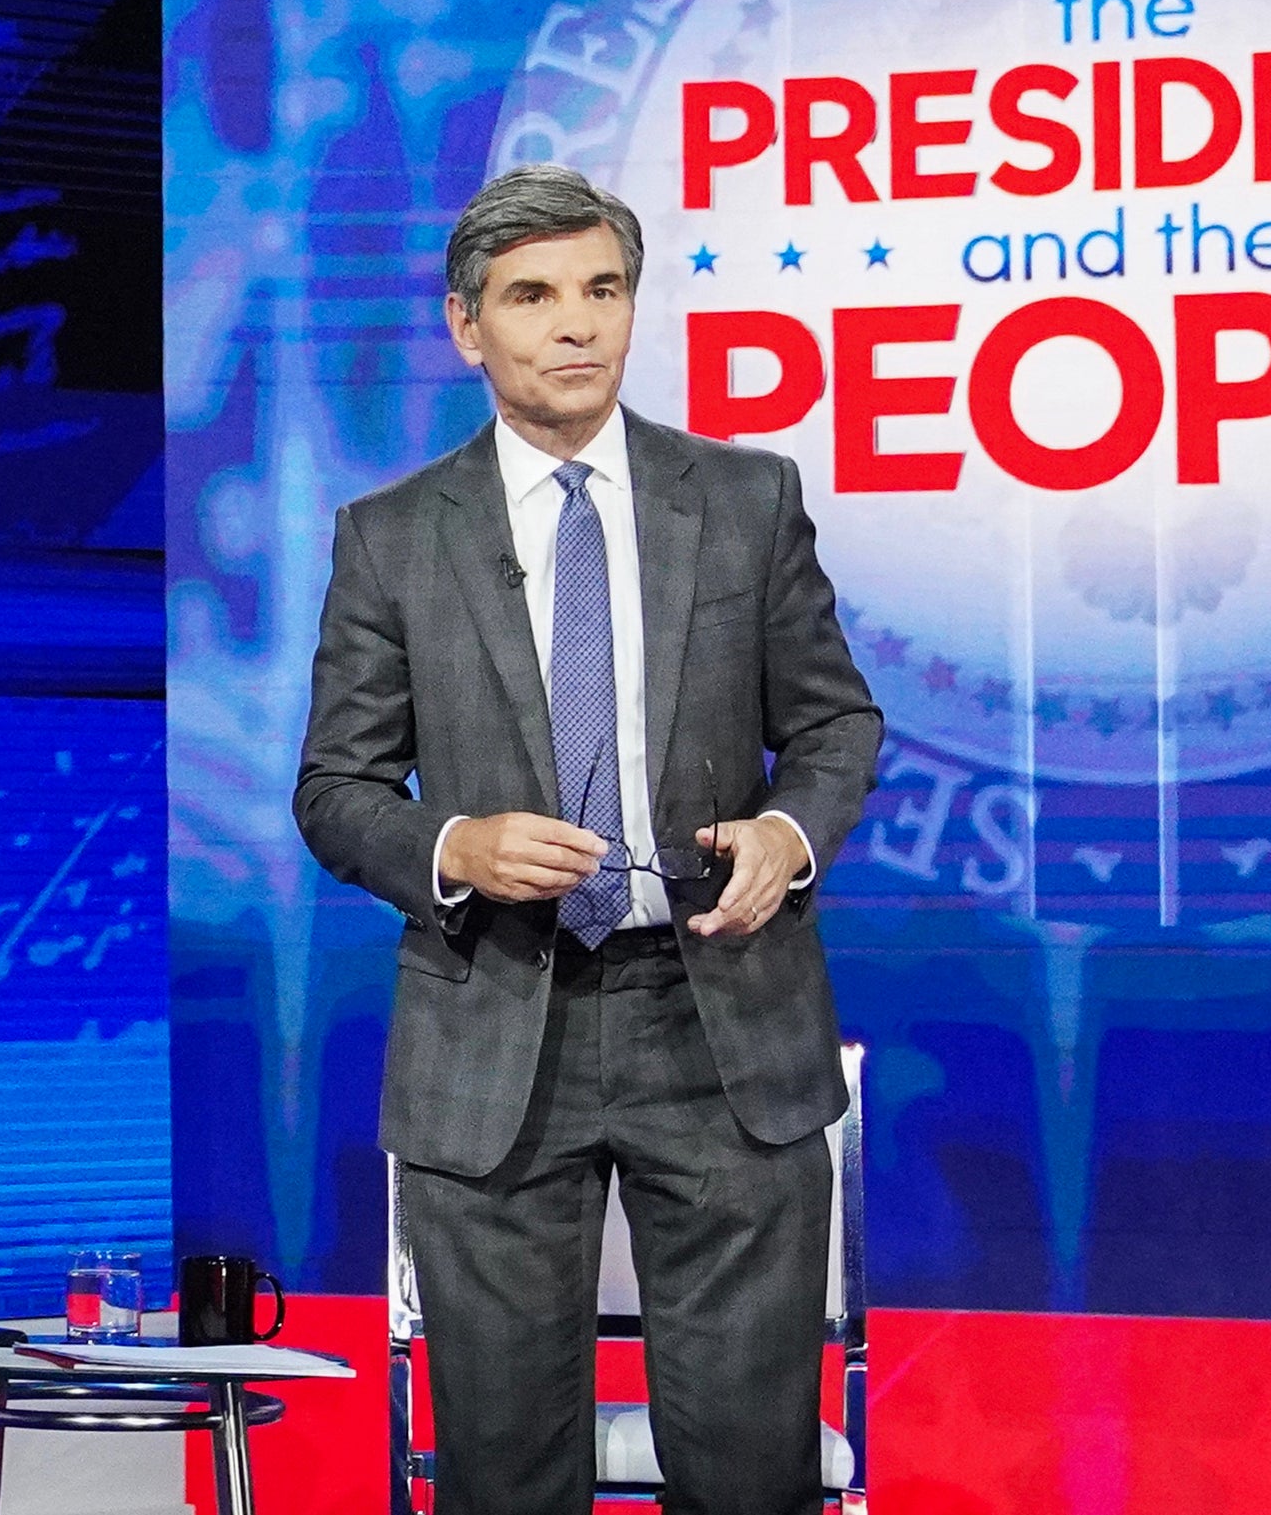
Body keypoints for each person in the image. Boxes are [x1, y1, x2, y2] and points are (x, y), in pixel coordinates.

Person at [295, 164, 881, 1515]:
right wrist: (456, 842)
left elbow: (836, 724)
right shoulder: (389, 538)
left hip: (718, 1020)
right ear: (466, 327)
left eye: (601, 290)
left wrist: (787, 835)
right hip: (494, 1028)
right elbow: (335, 789)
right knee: (505, 1479)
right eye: (533, 296)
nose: (575, 325)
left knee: (749, 1476)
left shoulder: (743, 500)